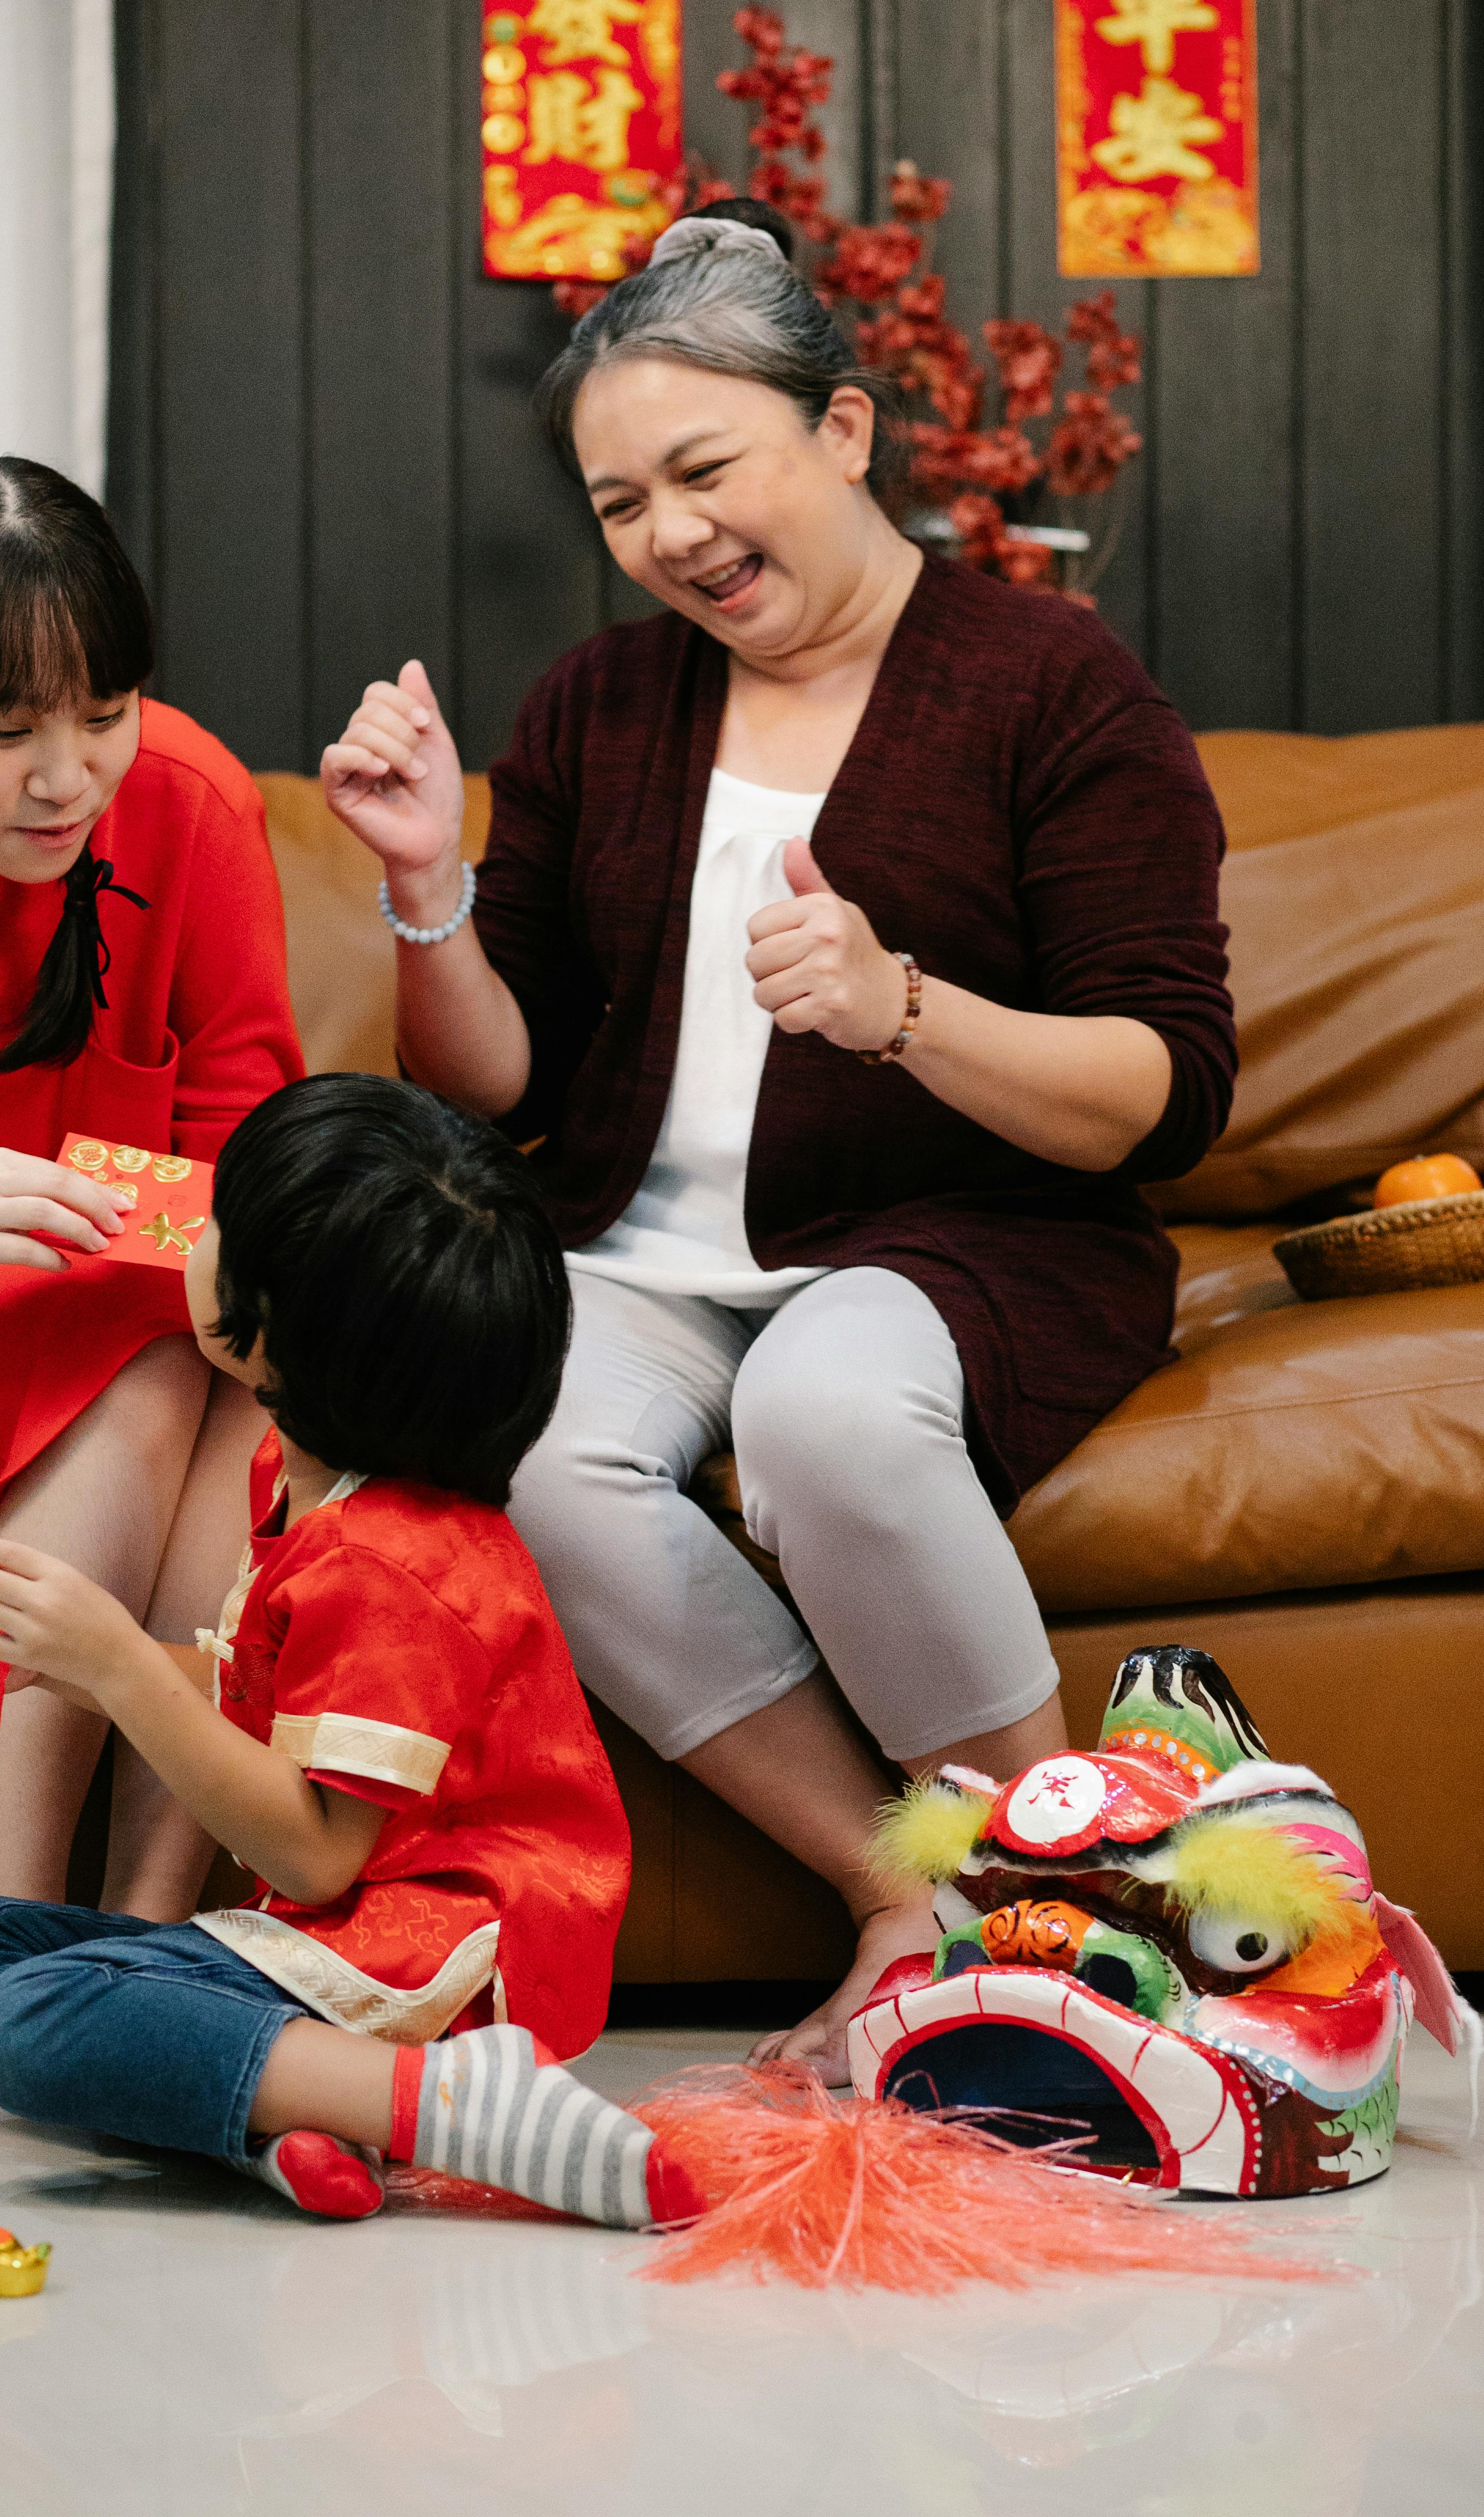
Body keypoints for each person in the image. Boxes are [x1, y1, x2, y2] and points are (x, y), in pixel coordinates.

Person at [318, 203, 1237, 2082]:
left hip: (954, 1240)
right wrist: (428, 888)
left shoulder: (1052, 685)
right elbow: (500, 1081)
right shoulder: (598, 704)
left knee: (825, 1411)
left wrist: (901, 1004)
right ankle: (913, 1904)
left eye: (702, 469)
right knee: (509, 1431)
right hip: (639, 1251)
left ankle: (1081, 1916)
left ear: (842, 430)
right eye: (619, 503)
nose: (668, 535)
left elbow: (1165, 1084)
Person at [0, 1074, 701, 2230]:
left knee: (35, 2020)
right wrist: (63, 1655)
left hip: (434, 1954)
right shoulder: (311, 1480)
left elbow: (317, 1851)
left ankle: (439, 2105)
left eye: (219, 1227)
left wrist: (123, 1668)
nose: (188, 1226)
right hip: (337, 1934)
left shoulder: (393, 1566)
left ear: (266, 1341)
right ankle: (290, 2129)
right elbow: (257, 1694)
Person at [0, 459, 301, 2083]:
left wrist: (174, 1246)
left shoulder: (191, 803)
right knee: (166, 1369)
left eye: (106, 712)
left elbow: (253, 1162)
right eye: (6, 730)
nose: (69, 775)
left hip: (136, 1296)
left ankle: (129, 1949)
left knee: (254, 1388)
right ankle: (22, 1950)